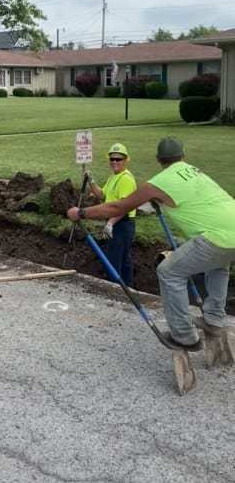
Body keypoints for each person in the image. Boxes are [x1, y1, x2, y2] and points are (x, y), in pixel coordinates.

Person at [68, 136, 235, 352]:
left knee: (169, 271)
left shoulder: (158, 182)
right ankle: (214, 318)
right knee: (218, 264)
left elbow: (118, 207)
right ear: (183, 156)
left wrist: (81, 212)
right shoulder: (196, 171)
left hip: (216, 236)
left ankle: (184, 336)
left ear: (158, 159)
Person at [88, 143, 137, 286]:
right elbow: (102, 195)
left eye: (118, 159)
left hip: (122, 223)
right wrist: (91, 181)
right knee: (123, 259)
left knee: (114, 260)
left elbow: (124, 207)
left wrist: (110, 223)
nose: (115, 162)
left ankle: (114, 289)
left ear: (126, 160)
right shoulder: (113, 177)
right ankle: (127, 288)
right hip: (117, 223)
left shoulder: (126, 179)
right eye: (112, 159)